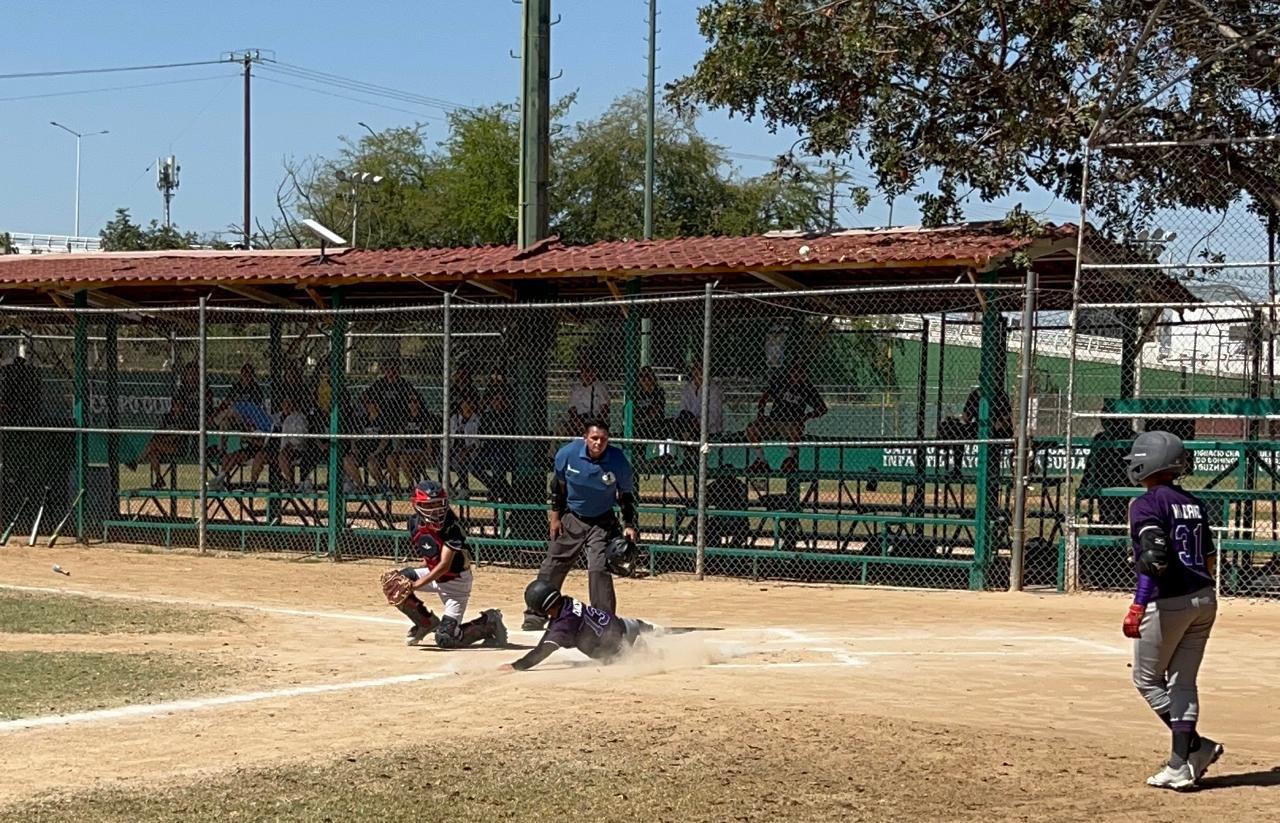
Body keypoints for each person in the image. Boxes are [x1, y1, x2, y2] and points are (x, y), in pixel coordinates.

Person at [1121, 430, 1224, 791]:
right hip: (1205, 598)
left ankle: (1196, 746)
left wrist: (1138, 604)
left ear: (1149, 462)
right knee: (1183, 682)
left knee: (1147, 680)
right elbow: (1209, 557)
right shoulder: (1194, 502)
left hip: (1169, 602)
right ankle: (1181, 765)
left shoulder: (1145, 504)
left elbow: (1153, 558)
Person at [522, 417, 638, 631]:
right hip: (573, 516)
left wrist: (628, 524)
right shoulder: (567, 454)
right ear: (585, 438)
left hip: (602, 520)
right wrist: (555, 518)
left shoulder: (618, 460)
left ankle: (604, 619)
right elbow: (558, 488)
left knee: (598, 568)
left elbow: (625, 495)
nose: (598, 443)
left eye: (603, 439)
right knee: (554, 562)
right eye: (594, 438)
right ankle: (536, 613)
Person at [379, 480, 507, 648]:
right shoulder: (414, 523)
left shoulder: (451, 527)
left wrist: (415, 585)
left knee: (446, 639)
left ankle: (489, 622)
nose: (435, 511)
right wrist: (411, 581)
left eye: (439, 505)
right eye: (429, 505)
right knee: (394, 584)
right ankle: (425, 623)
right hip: (435, 576)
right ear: (416, 505)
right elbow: (430, 553)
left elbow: (444, 566)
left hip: (455, 583)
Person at [501, 580, 654, 672]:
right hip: (626, 624)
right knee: (652, 632)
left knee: (626, 658)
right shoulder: (568, 602)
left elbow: (542, 651)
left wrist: (517, 665)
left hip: (618, 649)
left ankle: (641, 653)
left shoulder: (562, 626)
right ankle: (650, 631)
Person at [745, 360, 827, 473]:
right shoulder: (782, 382)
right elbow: (764, 398)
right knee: (751, 429)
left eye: (801, 373)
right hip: (773, 421)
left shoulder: (807, 388)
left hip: (791, 423)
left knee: (797, 428)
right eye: (795, 372)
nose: (798, 376)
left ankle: (790, 459)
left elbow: (822, 409)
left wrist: (806, 417)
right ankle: (761, 461)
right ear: (790, 373)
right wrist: (761, 414)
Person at [632, 366, 667, 442]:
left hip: (654, 424)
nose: (645, 379)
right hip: (639, 425)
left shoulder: (658, 392)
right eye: (641, 376)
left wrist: (641, 420)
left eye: (647, 375)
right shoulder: (637, 393)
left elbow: (654, 412)